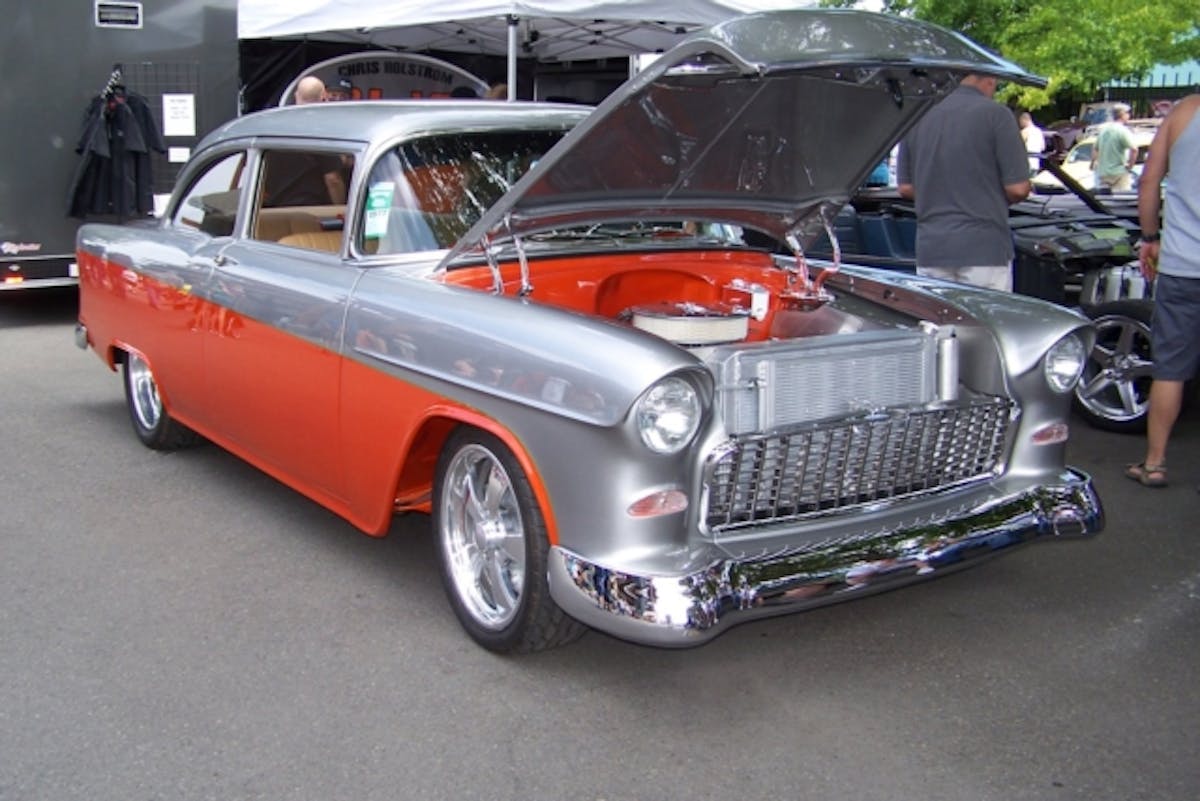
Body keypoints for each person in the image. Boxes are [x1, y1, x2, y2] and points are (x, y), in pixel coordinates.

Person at [1124, 94, 1200, 490]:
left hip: (1183, 264)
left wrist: (1150, 237)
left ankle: (1154, 463)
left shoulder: (1185, 111)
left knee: (1170, 367)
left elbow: (1150, 180)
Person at [896, 73, 1031, 292]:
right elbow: (1017, 188)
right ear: (989, 79)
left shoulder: (917, 116)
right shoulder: (996, 114)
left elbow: (906, 187)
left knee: (940, 324)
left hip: (932, 246)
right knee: (983, 324)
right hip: (984, 246)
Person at [1090, 102, 1137, 191]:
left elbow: (1095, 149)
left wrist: (1092, 164)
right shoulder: (1123, 131)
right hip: (1118, 173)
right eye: (1128, 113)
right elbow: (1134, 149)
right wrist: (1130, 166)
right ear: (1122, 115)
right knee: (1121, 201)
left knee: (1104, 201)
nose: (1129, 116)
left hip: (1103, 174)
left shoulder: (1104, 131)